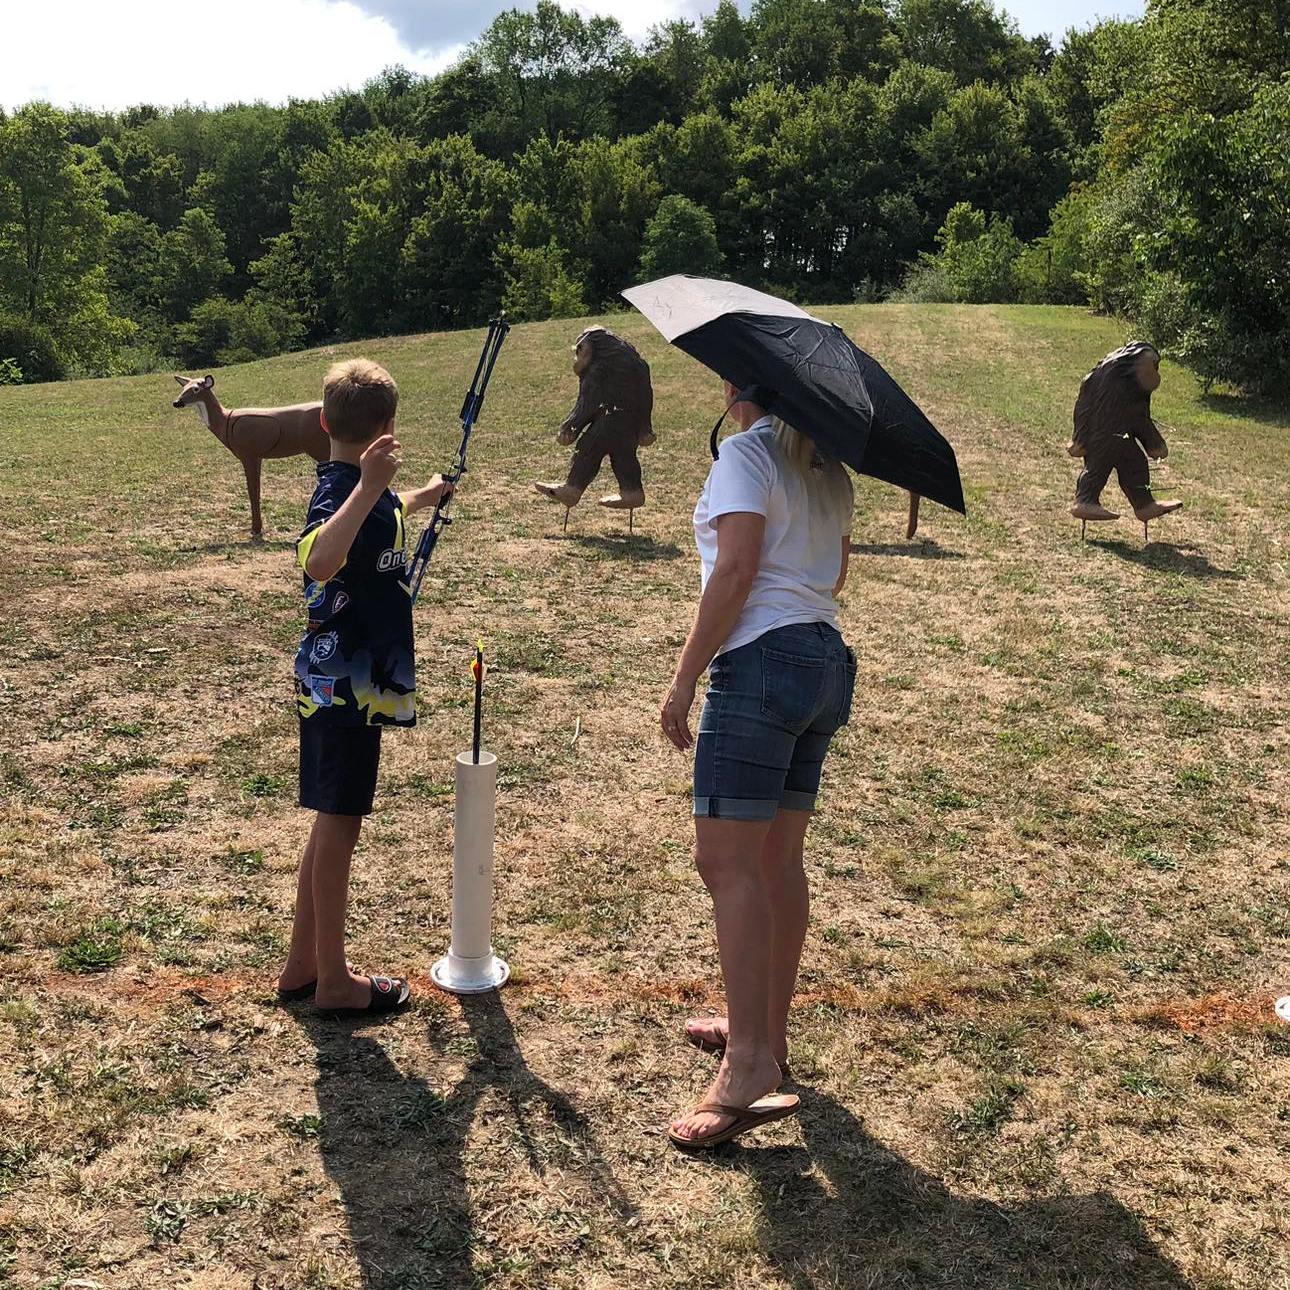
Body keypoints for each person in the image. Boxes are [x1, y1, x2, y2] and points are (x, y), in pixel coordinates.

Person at [661, 381, 857, 1148]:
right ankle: (765, 1040)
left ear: (742, 389)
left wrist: (683, 677)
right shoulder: (828, 466)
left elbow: (736, 572)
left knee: (727, 864)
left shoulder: (746, 455)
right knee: (779, 861)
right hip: (823, 659)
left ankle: (747, 1064)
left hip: (764, 661)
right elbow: (833, 576)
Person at [275, 358, 451, 1016]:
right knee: (340, 825)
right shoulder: (338, 491)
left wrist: (421, 494)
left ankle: (302, 965)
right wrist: (371, 482)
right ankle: (335, 981)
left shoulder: (359, 489)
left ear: (325, 421)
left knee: (330, 821)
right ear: (388, 426)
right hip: (342, 686)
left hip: (343, 683)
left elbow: (374, 516)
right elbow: (322, 556)